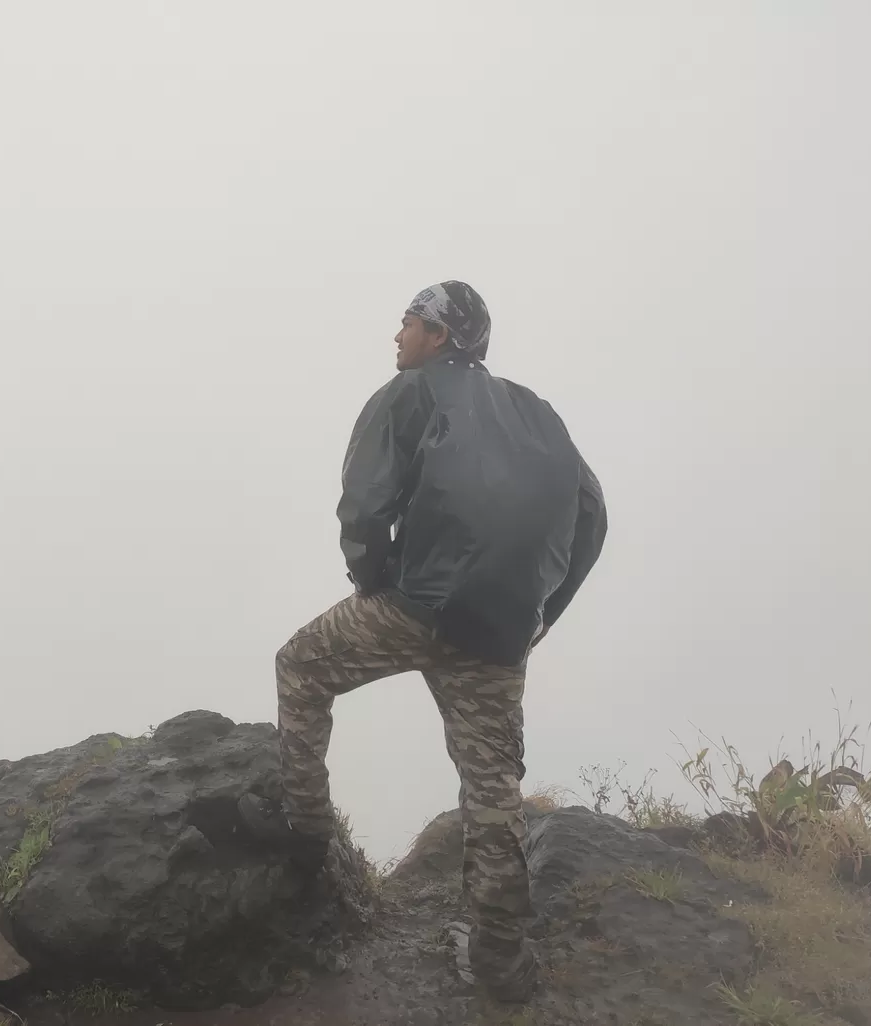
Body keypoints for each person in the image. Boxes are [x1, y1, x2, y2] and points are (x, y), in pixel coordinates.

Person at [238, 280, 607, 1003]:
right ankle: (501, 964)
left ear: (440, 336)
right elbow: (591, 517)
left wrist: (375, 579)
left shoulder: (407, 394)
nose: (397, 335)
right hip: (499, 636)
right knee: (493, 787)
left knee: (301, 667)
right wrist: (539, 615)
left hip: (414, 606)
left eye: (408, 322)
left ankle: (306, 828)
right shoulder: (539, 413)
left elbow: (365, 501)